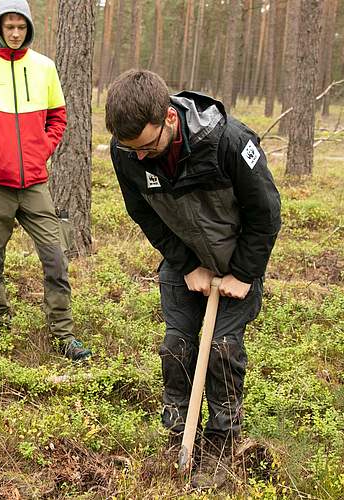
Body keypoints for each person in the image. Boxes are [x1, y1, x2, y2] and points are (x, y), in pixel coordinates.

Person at [103, 70, 281, 488]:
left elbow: (266, 214)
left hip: (238, 263)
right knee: (175, 347)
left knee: (220, 348)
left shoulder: (228, 142)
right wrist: (186, 264)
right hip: (184, 261)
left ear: (168, 118)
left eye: (147, 146)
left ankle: (222, 445)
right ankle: (179, 438)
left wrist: (242, 273)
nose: (140, 157)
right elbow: (143, 212)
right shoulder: (127, 151)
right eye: (132, 150)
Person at [0, 0, 91, 361]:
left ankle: (63, 332)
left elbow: (58, 117)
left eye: (21, 27)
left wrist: (41, 149)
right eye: (9, 27)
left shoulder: (44, 67)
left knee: (55, 256)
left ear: (29, 28)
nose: (15, 33)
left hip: (35, 184)